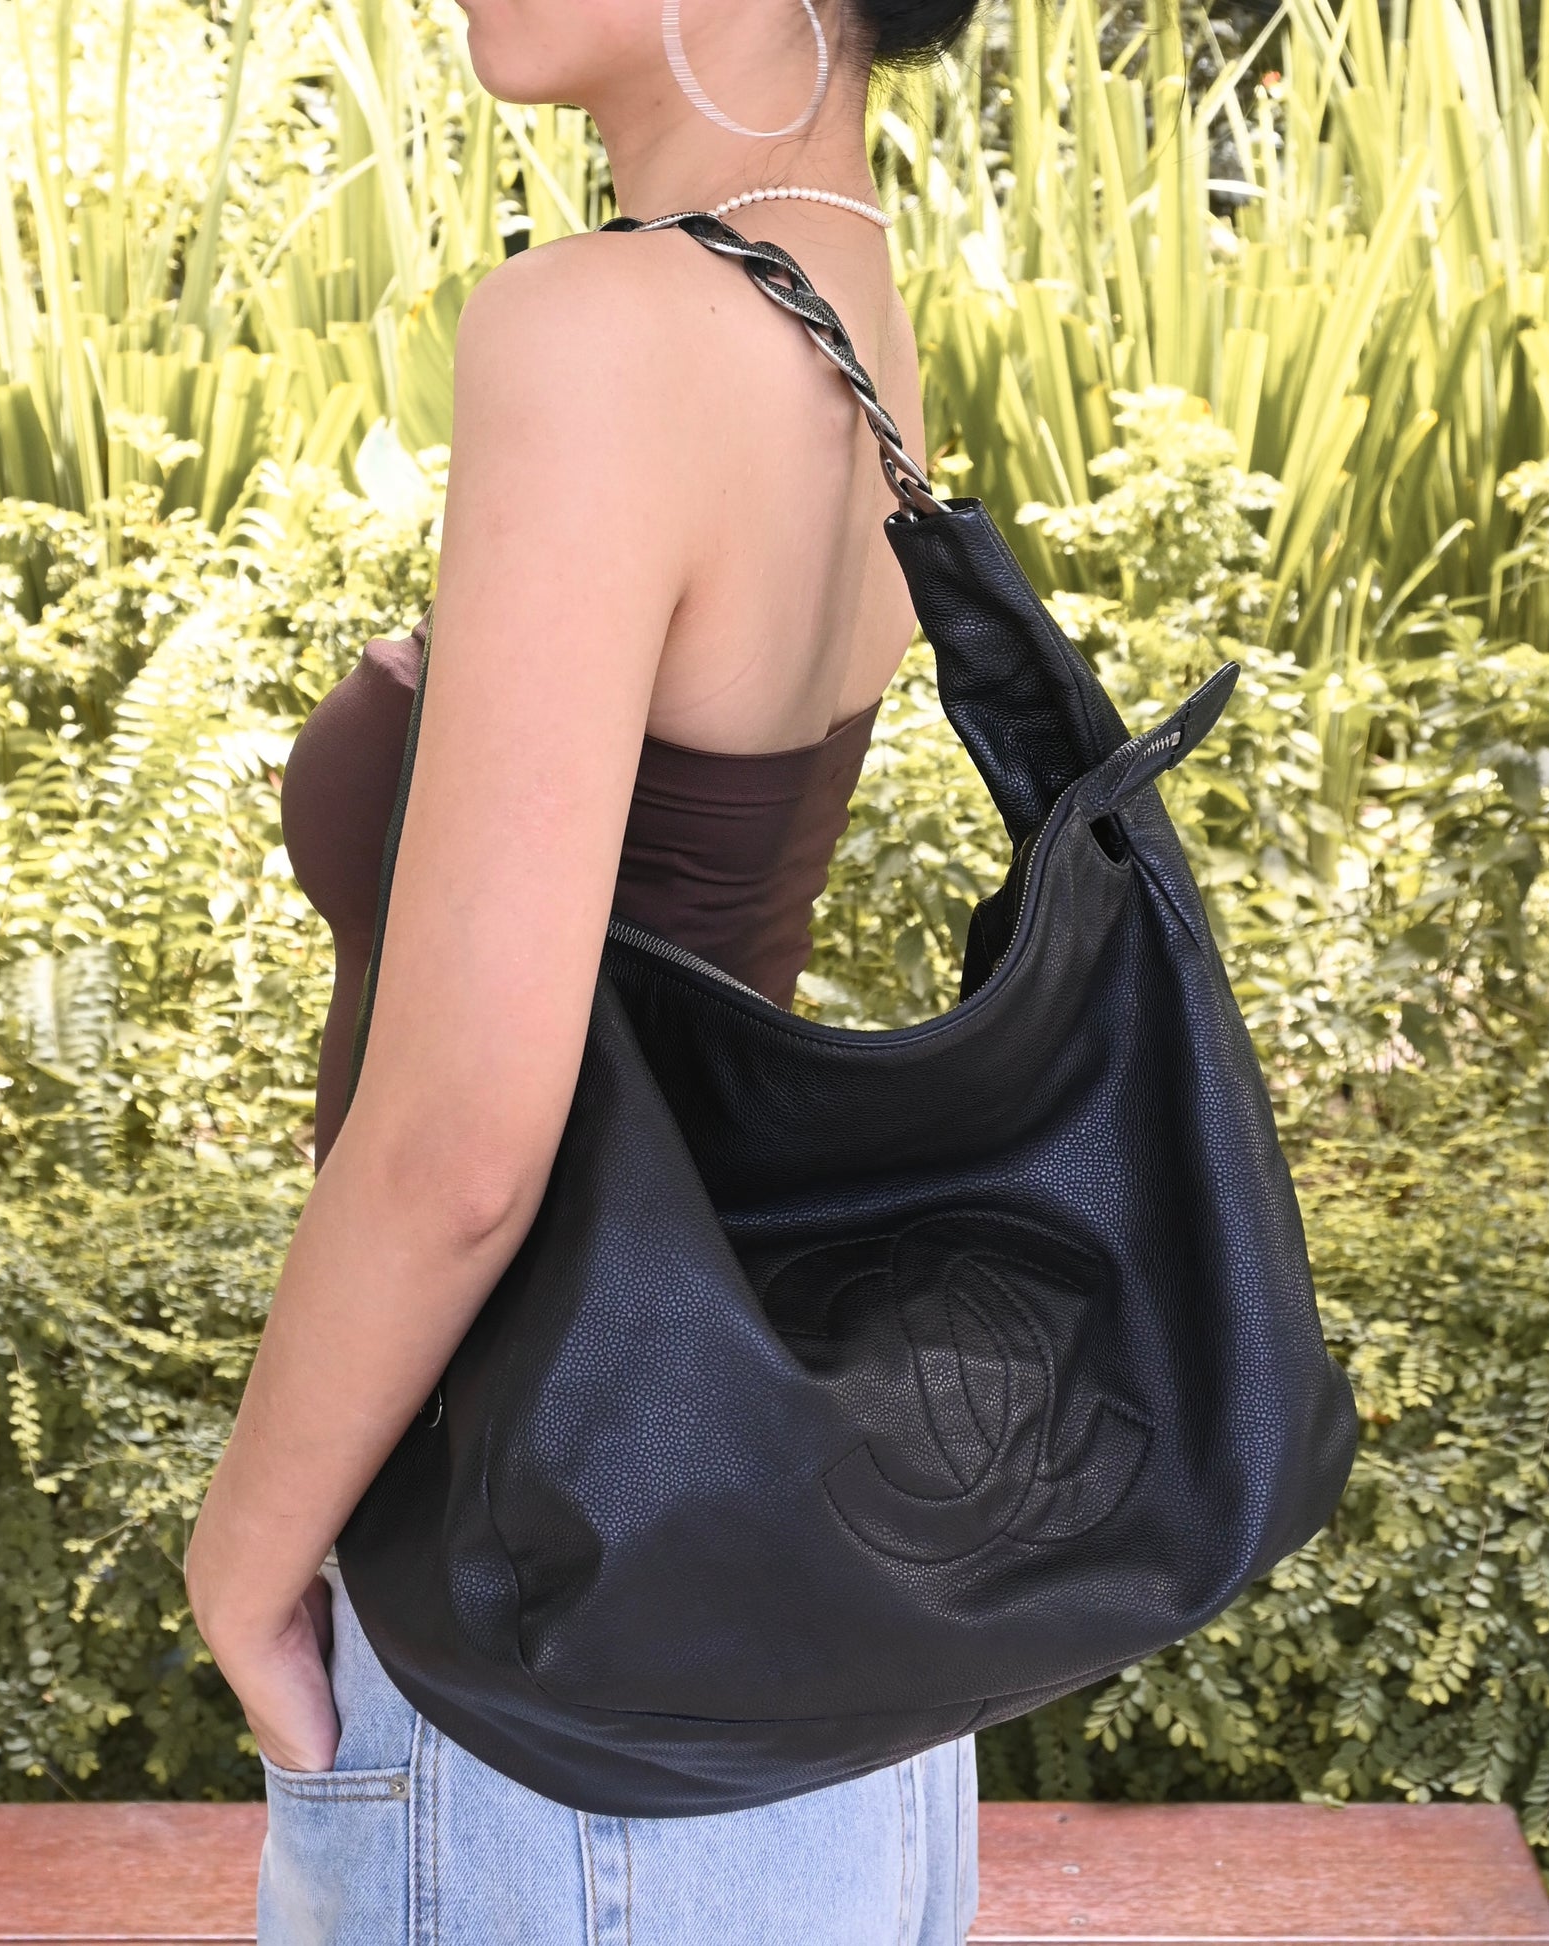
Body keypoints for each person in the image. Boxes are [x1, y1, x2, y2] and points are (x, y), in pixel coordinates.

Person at [185, 0, 983, 1937]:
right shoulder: (841, 304)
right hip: (814, 1661)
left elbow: (466, 1142)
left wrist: (244, 1560)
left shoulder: (603, 328)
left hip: (547, 1643)